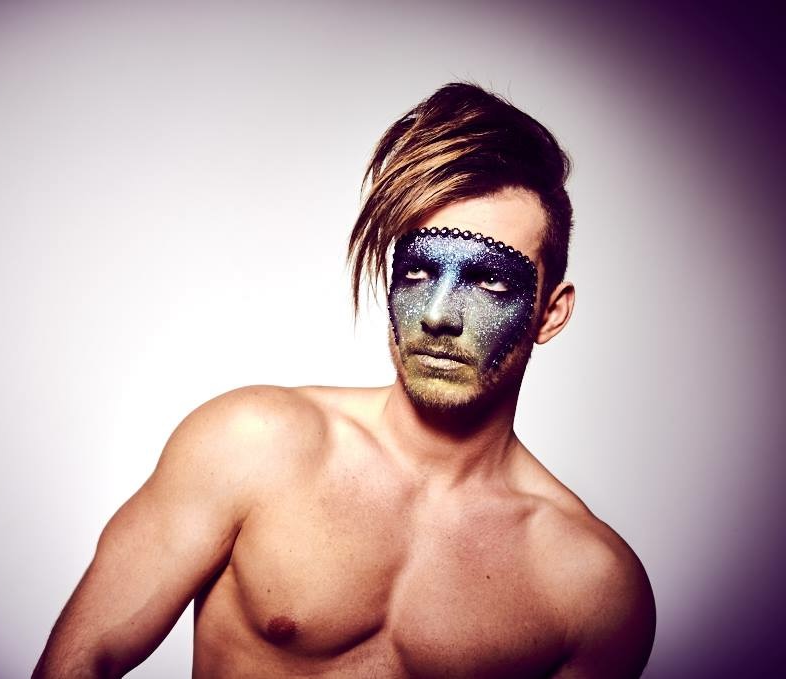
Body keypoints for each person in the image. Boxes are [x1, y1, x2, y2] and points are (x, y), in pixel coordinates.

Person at [33, 82, 656, 678]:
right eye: (418, 273)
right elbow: (82, 661)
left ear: (551, 312)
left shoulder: (591, 589)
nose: (438, 316)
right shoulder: (254, 445)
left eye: (490, 281)